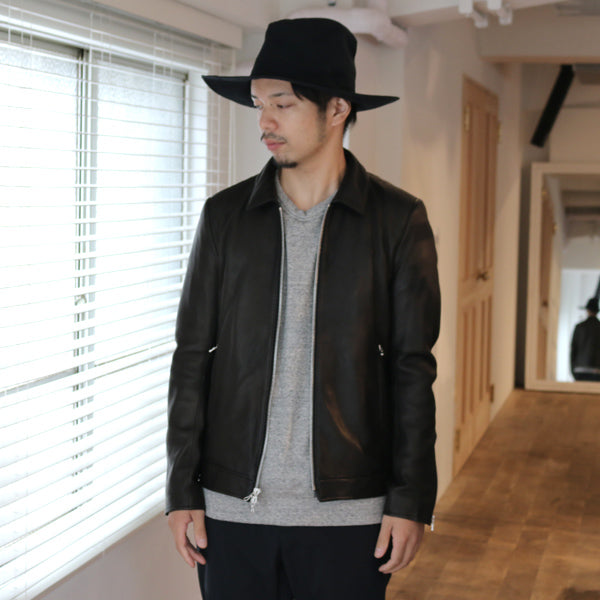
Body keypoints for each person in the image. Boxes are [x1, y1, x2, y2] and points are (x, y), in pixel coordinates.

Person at [166, 17, 440, 600]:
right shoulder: (225, 218)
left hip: (351, 513)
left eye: (283, 104)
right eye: (259, 104)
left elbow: (412, 368)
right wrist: (180, 489)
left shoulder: (397, 220)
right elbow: (191, 356)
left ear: (337, 109)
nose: (265, 121)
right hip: (231, 509)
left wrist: (411, 497)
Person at [570, 297, 600, 382]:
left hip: (579, 370)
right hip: (597, 371)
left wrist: (573, 370)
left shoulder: (579, 327)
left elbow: (573, 350)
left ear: (587, 310)